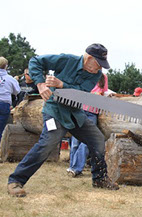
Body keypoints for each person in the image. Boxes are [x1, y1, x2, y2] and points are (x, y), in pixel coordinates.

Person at [7, 43, 119, 197]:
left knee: (98, 139)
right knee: (47, 144)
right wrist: (40, 84)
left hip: (75, 115)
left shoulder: (95, 75)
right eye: (98, 64)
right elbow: (35, 61)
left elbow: (81, 93)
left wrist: (62, 84)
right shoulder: (66, 60)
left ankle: (99, 178)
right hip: (55, 111)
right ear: (89, 58)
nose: (99, 68)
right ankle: (15, 181)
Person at [67, 73, 108, 177]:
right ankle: (72, 168)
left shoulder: (103, 77)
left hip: (92, 112)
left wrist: (102, 96)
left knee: (87, 142)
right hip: (80, 110)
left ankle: (76, 168)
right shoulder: (84, 75)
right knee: (75, 142)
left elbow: (104, 92)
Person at [0, 57, 21, 142]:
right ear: (6, 66)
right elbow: (17, 91)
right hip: (4, 105)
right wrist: (15, 81)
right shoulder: (10, 79)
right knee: (0, 129)